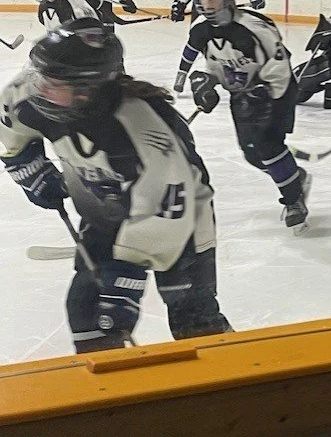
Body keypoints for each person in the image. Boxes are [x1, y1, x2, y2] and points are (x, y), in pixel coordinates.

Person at [0, 18, 232, 353]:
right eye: (40, 76)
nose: (39, 87)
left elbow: (169, 211)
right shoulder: (37, 89)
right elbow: (9, 119)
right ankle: (108, 401)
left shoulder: (145, 127)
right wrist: (25, 164)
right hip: (104, 212)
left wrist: (124, 274)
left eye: (52, 82)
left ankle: (238, 387)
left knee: (195, 323)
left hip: (182, 226)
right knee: (88, 316)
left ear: (88, 90)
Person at [173, 0, 311, 233]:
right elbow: (213, 63)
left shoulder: (255, 27)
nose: (205, 4)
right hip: (242, 95)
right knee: (250, 153)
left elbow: (281, 65)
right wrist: (204, 81)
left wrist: (269, 97)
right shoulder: (201, 29)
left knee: (269, 146)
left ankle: (294, 200)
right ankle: (294, 177)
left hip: (276, 92)